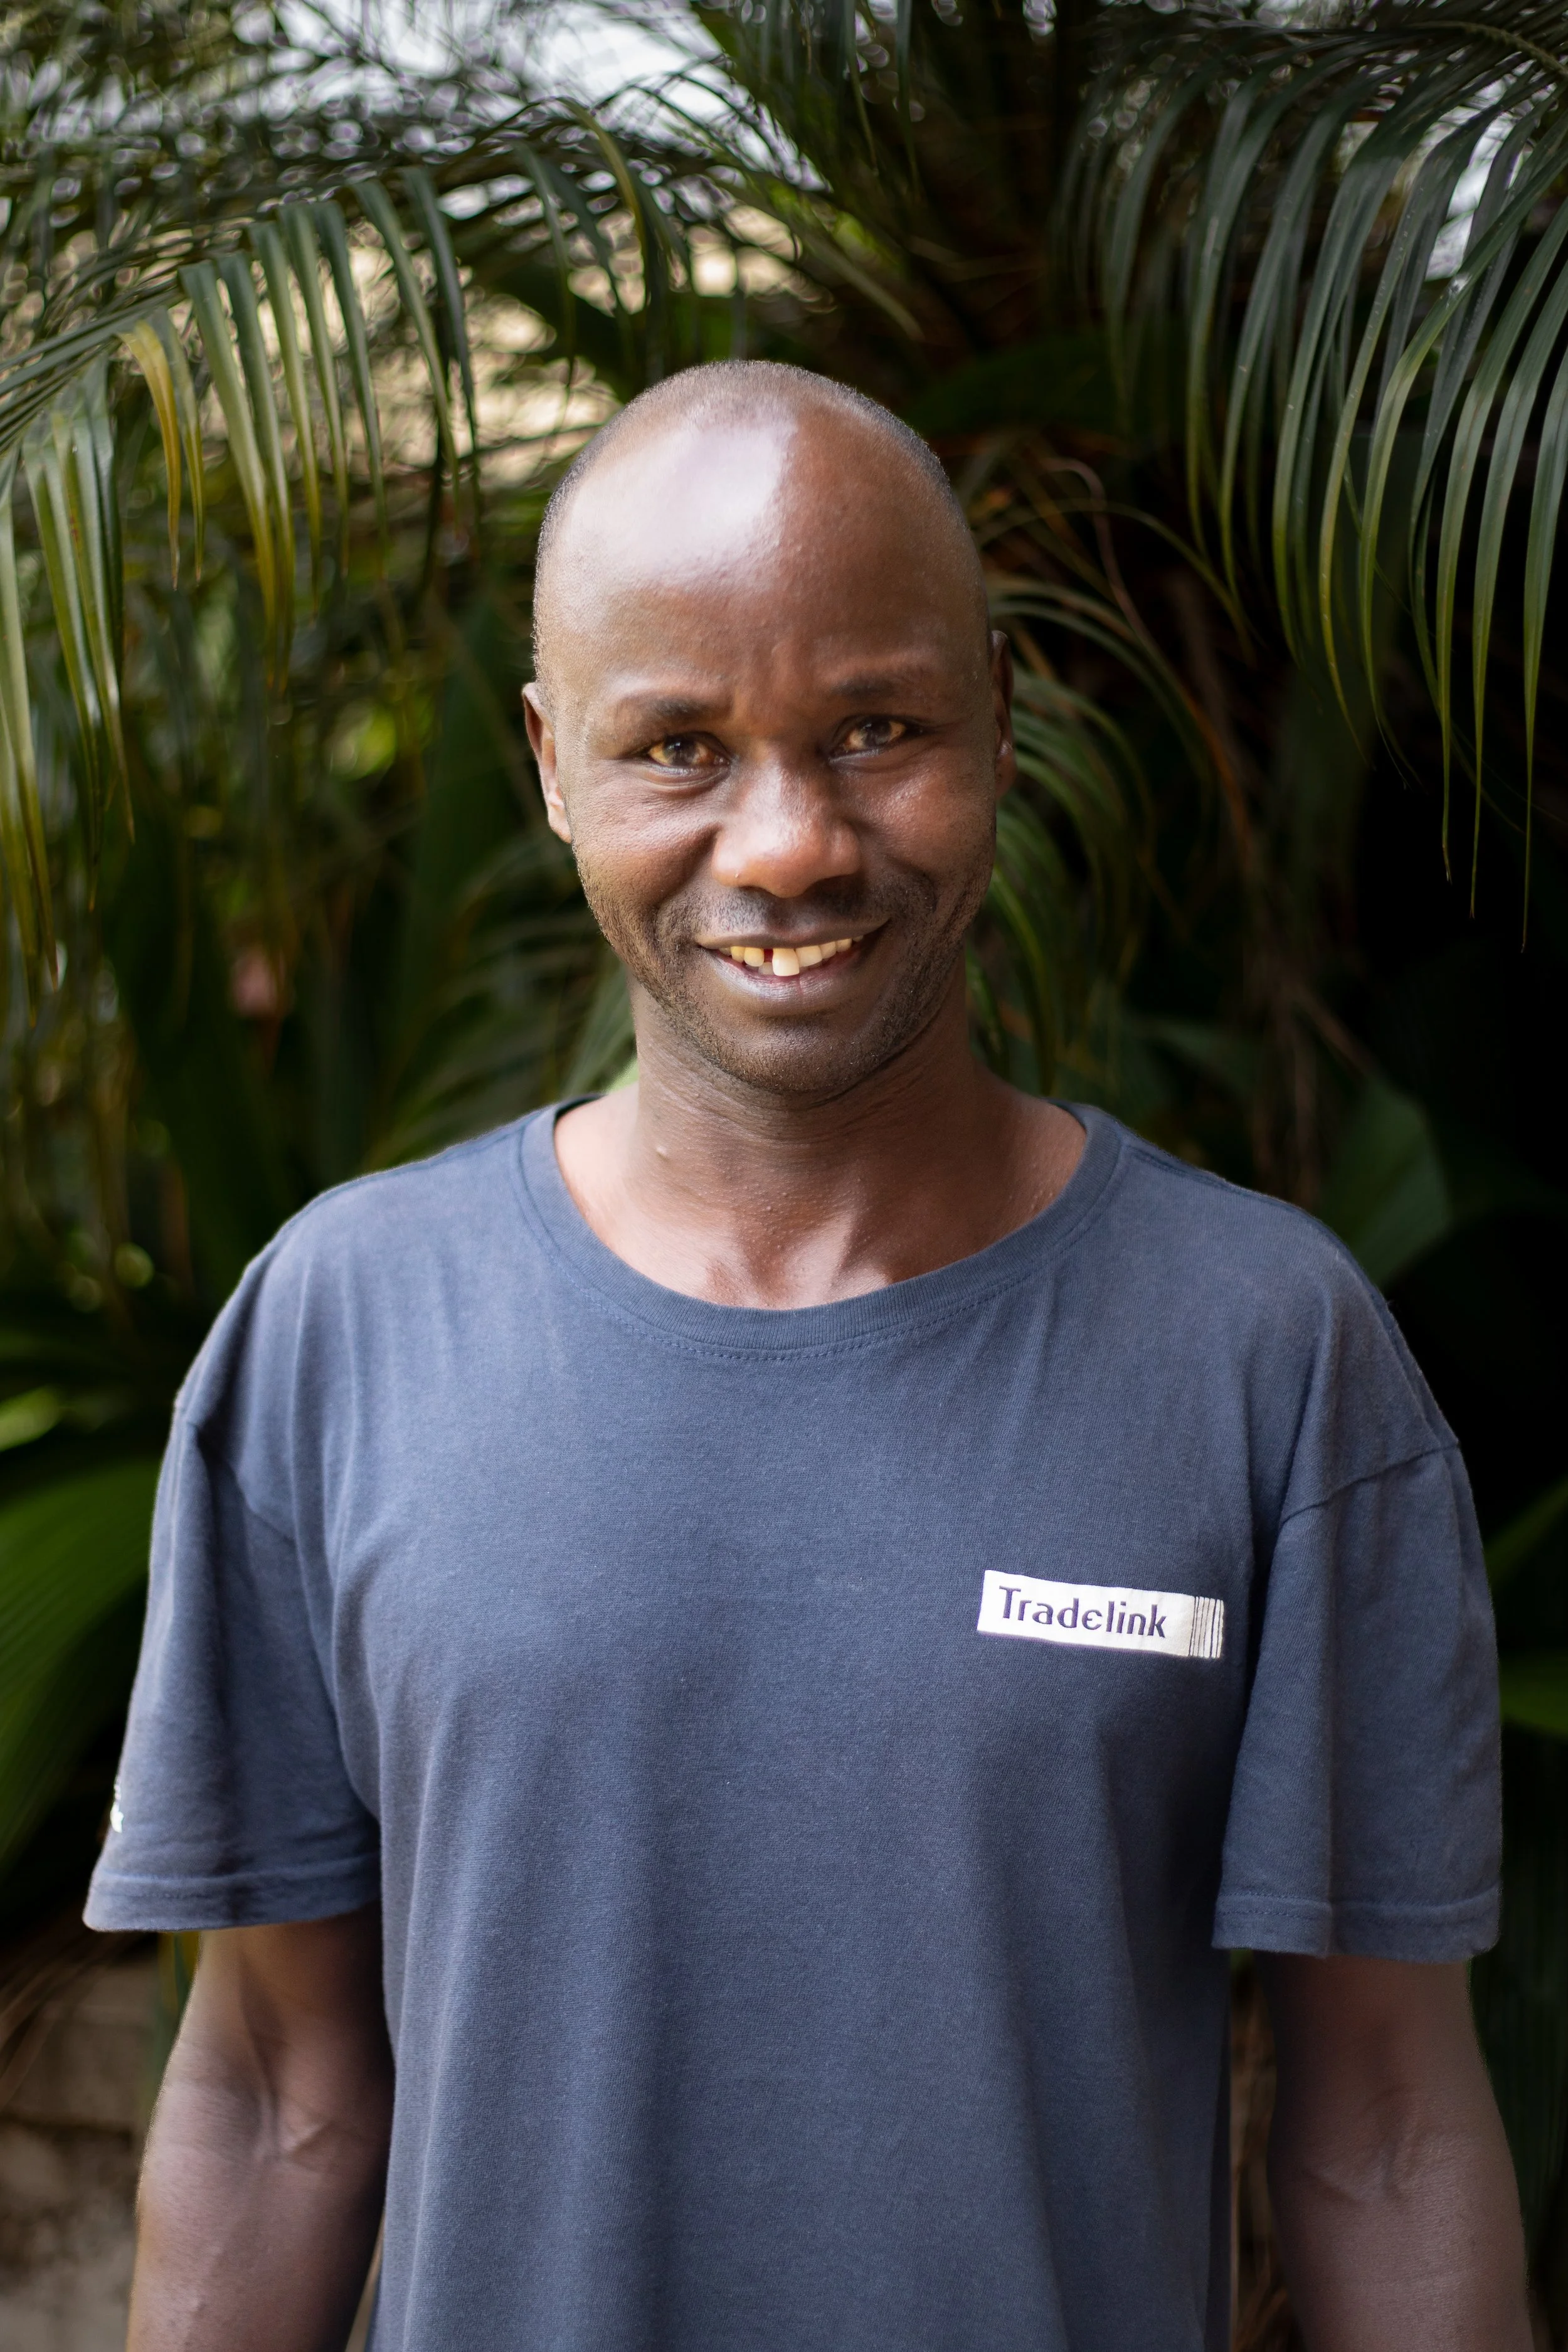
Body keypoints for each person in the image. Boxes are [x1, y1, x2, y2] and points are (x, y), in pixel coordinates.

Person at [89, 360, 1527, 2352]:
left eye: (875, 728)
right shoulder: (338, 1332)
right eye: (676, 746)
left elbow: (1379, 2127)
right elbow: (269, 2098)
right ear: (548, 765)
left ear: (1001, 720)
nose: (788, 845)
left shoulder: (1265, 1357)